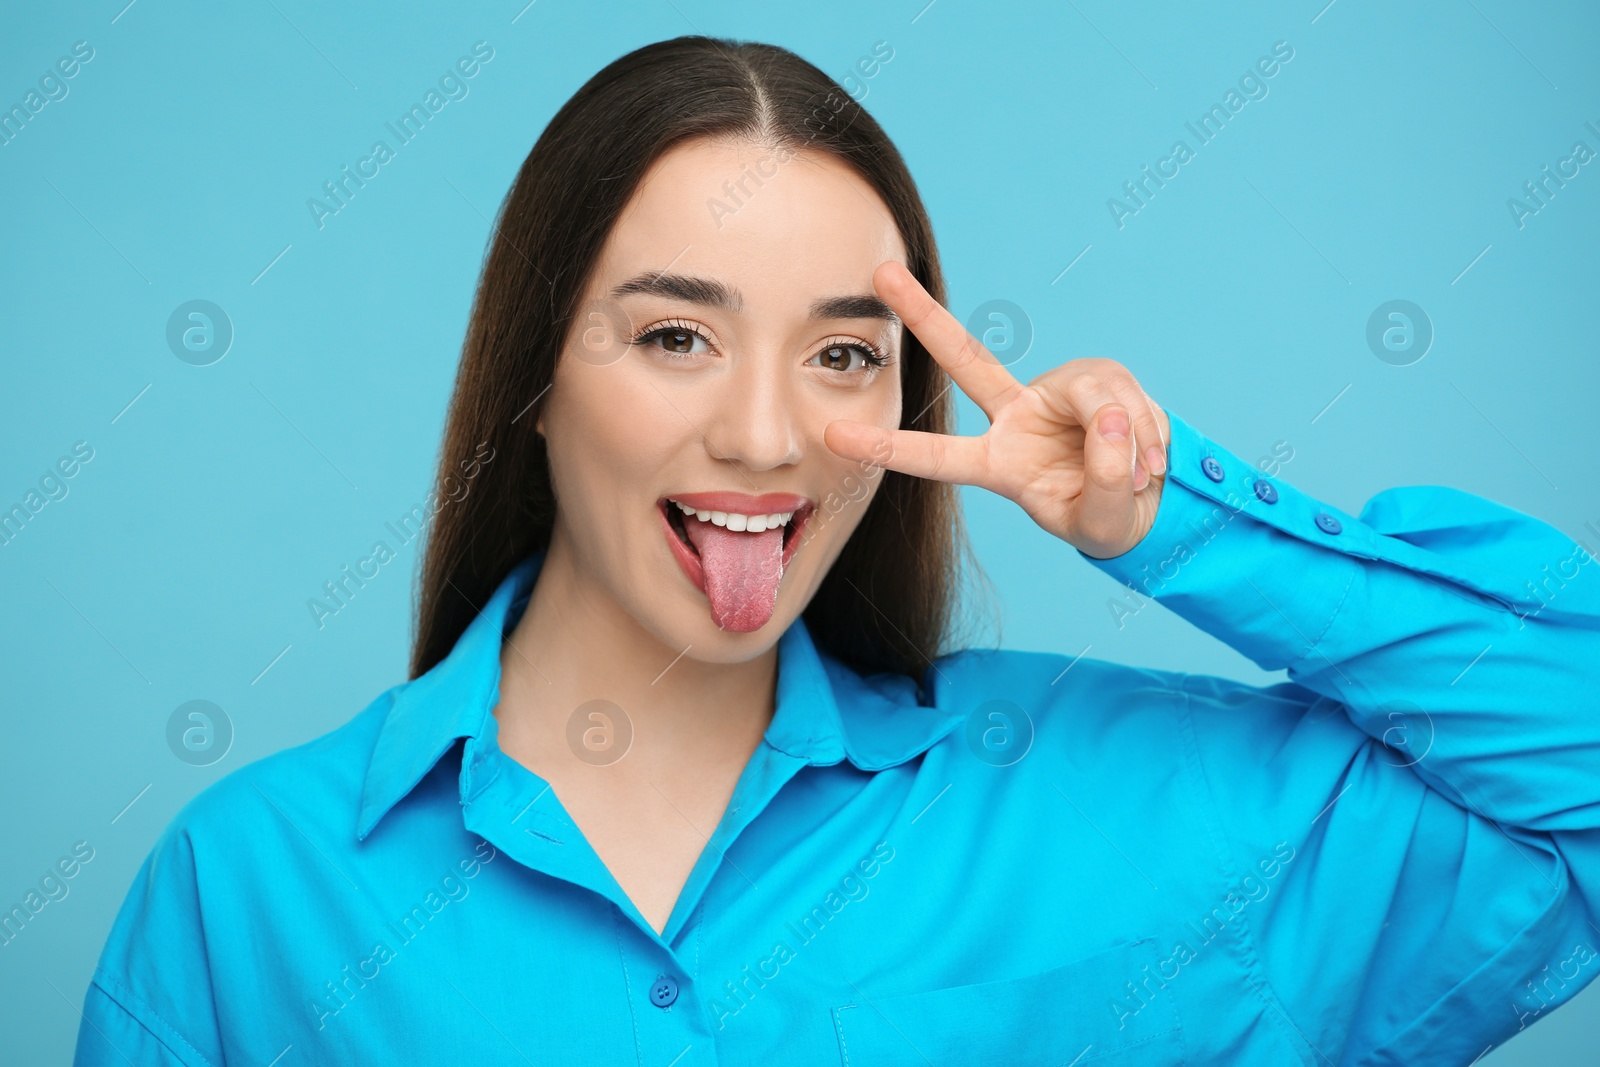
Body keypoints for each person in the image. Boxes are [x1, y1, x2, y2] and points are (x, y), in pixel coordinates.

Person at [75, 36, 1599, 1066]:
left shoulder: (1105, 807)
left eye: (845, 356)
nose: (765, 436)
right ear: (536, 380)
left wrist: (1167, 517)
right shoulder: (246, 892)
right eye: (677, 334)